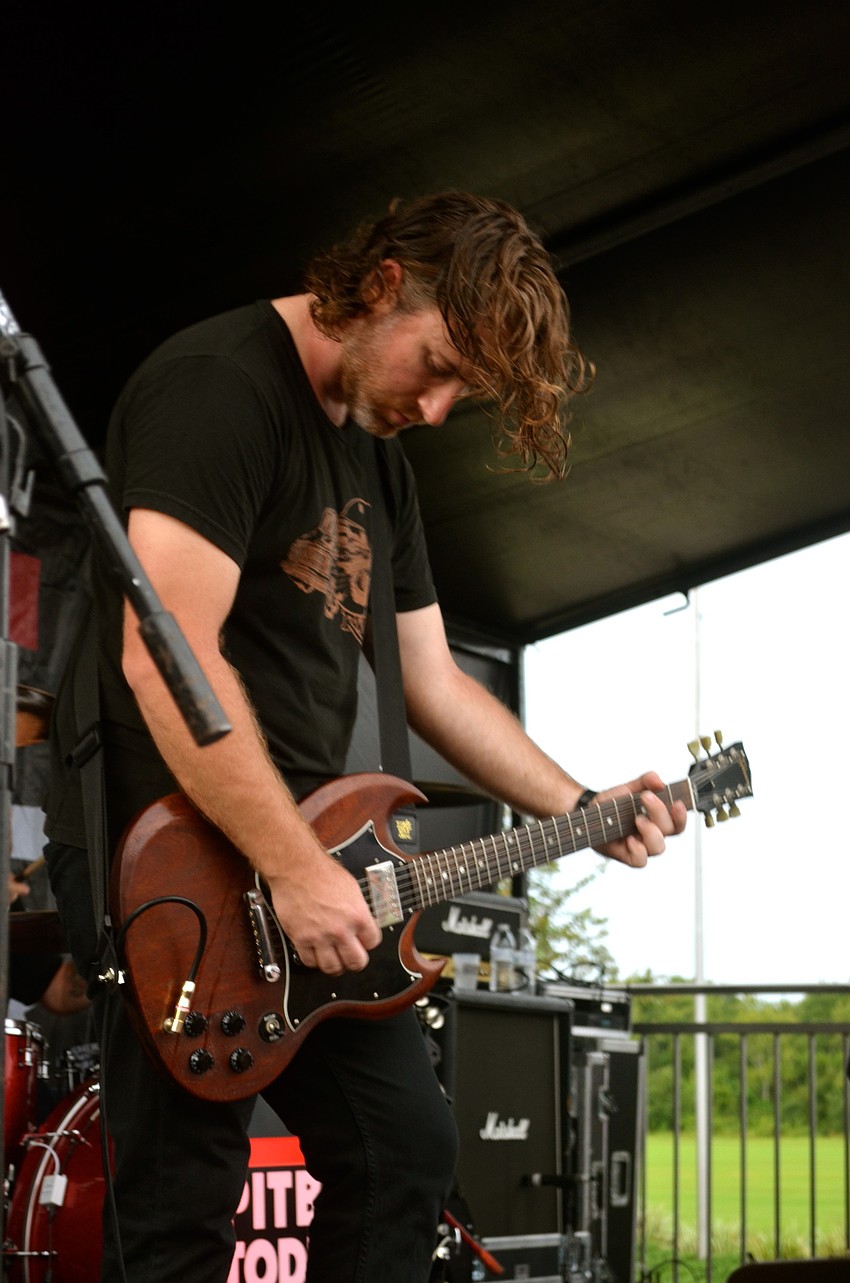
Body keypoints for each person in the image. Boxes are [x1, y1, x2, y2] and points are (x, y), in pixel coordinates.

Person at [41, 190, 688, 1283]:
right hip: (177, 857)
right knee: (179, 1209)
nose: (436, 409)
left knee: (403, 1152)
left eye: (458, 392)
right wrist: (289, 866)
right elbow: (166, 654)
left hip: (314, 870)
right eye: (434, 365)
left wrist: (578, 806)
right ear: (381, 286)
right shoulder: (220, 389)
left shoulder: (379, 460)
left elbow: (432, 682)